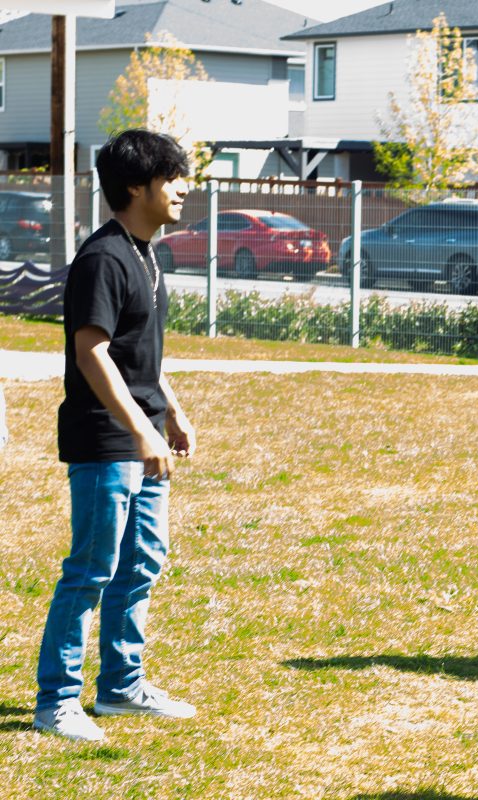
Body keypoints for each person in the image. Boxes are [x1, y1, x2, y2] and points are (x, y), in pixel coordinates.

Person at [34, 129, 198, 742]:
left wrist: (171, 413)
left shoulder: (144, 251)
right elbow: (92, 352)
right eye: (173, 178)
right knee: (92, 568)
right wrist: (139, 431)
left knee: (141, 562)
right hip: (107, 441)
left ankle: (122, 688)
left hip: (144, 435)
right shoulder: (103, 257)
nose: (184, 189)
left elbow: (138, 356)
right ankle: (56, 701)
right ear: (137, 186)